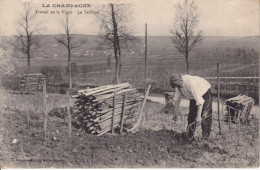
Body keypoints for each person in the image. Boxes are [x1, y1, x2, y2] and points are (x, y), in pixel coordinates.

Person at [169, 74, 213, 140]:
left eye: (177, 85)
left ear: (181, 81)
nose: (177, 87)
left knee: (204, 115)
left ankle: (205, 138)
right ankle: (190, 136)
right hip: (193, 96)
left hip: (204, 93)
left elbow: (200, 101)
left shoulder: (190, 84)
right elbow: (177, 100)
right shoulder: (178, 86)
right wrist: (175, 112)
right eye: (176, 86)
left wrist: (198, 116)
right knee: (191, 115)